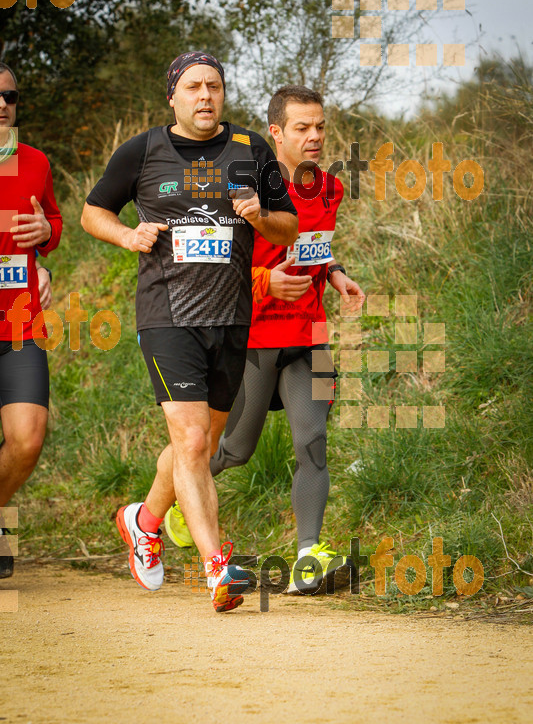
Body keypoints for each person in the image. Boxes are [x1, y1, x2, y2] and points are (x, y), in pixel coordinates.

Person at [81, 52, 298, 612]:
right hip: (166, 314)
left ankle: (143, 520)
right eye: (194, 87)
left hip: (230, 316)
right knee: (194, 441)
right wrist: (128, 236)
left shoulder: (252, 150)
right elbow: (92, 212)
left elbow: (289, 224)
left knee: (195, 443)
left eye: (215, 86)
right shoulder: (143, 150)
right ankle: (216, 566)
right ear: (173, 96)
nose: (206, 96)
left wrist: (257, 218)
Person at [165, 85, 365, 594]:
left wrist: (335, 272)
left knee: (312, 442)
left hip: (309, 334)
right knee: (234, 450)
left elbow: (313, 246)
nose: (315, 137)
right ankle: (175, 505)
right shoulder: (244, 185)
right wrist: (263, 282)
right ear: (276, 132)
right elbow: (209, 264)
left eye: (320, 126)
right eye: (302, 128)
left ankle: (307, 557)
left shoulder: (330, 188)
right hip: (252, 337)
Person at [0, 62, 62, 579]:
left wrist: (45, 232)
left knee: (29, 436)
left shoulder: (36, 162)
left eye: (10, 97)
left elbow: (55, 221)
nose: (2, 104)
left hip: (20, 322)